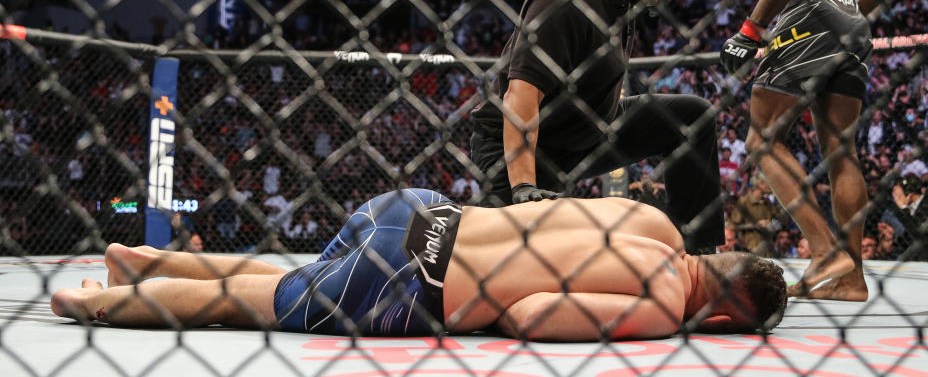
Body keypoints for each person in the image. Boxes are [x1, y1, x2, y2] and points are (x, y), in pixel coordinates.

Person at [51, 188, 786, 340]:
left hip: (422, 209)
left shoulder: (654, 221)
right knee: (242, 306)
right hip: (412, 287)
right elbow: (527, 316)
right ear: (724, 312)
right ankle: (91, 303)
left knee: (290, 279)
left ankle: (141, 263)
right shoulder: (661, 304)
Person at [471, 0, 723, 252]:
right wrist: (524, 186)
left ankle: (700, 257)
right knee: (512, 264)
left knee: (693, 117)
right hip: (524, 149)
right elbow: (520, 94)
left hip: (588, 131)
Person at [720, 0, 888, 301]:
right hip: (853, 17)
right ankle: (851, 279)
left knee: (762, 137)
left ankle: (823, 249)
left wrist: (751, 29)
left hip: (809, 8)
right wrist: (842, 15)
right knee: (841, 151)